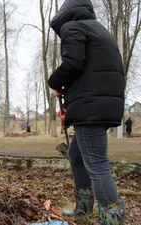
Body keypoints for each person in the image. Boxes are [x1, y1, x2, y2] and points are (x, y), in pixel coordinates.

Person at [48, 0, 125, 224]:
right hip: (102, 103)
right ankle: (84, 208)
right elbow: (91, 67)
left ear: (65, 13)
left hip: (91, 106)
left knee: (97, 164)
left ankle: (112, 219)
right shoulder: (100, 30)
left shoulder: (74, 27)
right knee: (76, 156)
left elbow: (73, 63)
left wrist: (55, 82)